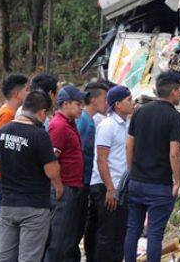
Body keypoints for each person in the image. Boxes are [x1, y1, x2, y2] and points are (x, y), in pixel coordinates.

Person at [0, 91, 63, 262]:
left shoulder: (2, 132)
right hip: (34, 207)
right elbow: (51, 172)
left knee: (5, 256)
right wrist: (59, 186)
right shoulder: (40, 135)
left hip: (8, 204)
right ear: (42, 112)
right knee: (29, 257)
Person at [124, 71, 180, 262]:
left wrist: (132, 171)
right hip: (159, 185)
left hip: (136, 181)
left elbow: (129, 145)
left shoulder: (140, 110)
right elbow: (174, 152)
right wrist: (177, 180)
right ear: (174, 91)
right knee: (155, 234)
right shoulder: (174, 117)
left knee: (132, 229)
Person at [43, 85, 87, 262]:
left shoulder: (69, 124)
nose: (81, 107)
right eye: (78, 104)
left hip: (73, 187)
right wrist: (59, 186)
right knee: (58, 242)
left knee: (69, 240)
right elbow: (51, 160)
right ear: (66, 104)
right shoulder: (59, 126)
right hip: (64, 189)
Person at [89, 86, 133, 261]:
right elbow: (101, 160)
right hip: (106, 187)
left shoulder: (127, 124)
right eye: (129, 100)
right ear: (118, 105)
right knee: (108, 234)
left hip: (120, 187)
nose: (133, 103)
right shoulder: (107, 126)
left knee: (119, 233)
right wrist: (110, 189)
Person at [0, 74, 28, 261]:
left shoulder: (7, 112)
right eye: (26, 90)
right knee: (1, 220)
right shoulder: (8, 114)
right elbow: (1, 146)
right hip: (1, 175)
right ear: (16, 94)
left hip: (0, 174)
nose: (29, 93)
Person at [76, 81, 109, 262]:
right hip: (81, 182)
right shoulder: (85, 122)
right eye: (104, 98)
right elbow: (79, 154)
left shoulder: (90, 120)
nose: (107, 102)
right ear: (94, 100)